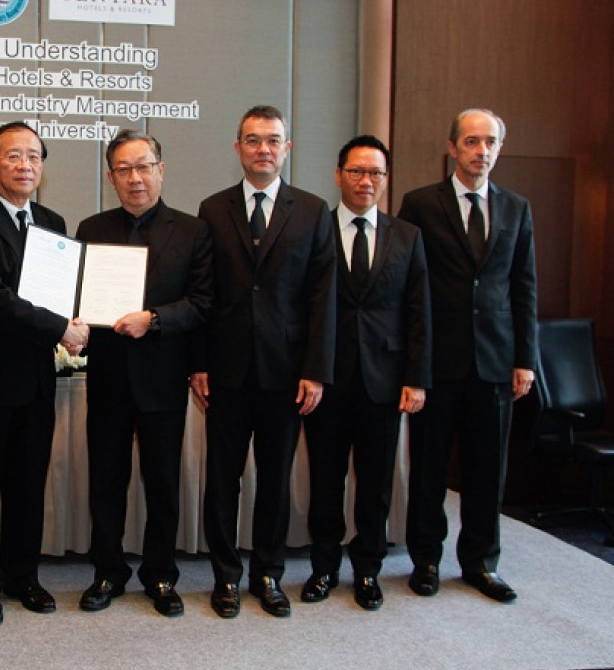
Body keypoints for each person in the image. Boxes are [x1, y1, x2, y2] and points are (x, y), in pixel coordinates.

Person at [191, 104, 336, 619]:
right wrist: (198, 362)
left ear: (287, 148)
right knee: (223, 480)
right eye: (252, 140)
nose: (263, 149)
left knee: (275, 480)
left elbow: (324, 297)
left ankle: (268, 574)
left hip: (287, 373)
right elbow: (202, 294)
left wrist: (316, 369)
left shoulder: (315, 211)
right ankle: (226, 577)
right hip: (226, 372)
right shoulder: (213, 208)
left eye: (273, 140)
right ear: (238, 148)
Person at [0, 121, 90, 626]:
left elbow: (59, 289)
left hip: (35, 380)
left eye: (34, 156)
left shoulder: (52, 220)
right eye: (13, 156)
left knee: (28, 483)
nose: (25, 165)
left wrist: (76, 316)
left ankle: (22, 576)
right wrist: (60, 328)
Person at [397, 108, 537, 603]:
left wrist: (526, 359)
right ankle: (427, 561)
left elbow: (524, 289)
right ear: (452, 148)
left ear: (499, 148)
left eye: (490, 142)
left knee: (486, 471)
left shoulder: (517, 208)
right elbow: (408, 289)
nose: (482, 150)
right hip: (437, 363)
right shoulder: (419, 204)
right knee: (430, 470)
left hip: (496, 364)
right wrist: (412, 363)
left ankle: (480, 562)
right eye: (472, 141)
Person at [74, 130, 212, 617]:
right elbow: (78, 301)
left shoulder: (192, 231)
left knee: (162, 482)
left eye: (144, 166)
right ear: (111, 176)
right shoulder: (91, 228)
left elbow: (202, 303)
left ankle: (160, 575)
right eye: (124, 169)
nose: (135, 178)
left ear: (161, 168)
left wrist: (153, 319)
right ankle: (107, 571)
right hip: (108, 376)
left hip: (163, 377)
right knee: (106, 482)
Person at [302, 135, 431, 611]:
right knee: (326, 480)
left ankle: (369, 569)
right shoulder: (315, 230)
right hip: (327, 378)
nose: (366, 181)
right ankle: (323, 566)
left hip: (384, 380)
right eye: (356, 171)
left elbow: (420, 312)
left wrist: (417, 378)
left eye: (375, 173)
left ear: (385, 179)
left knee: (375, 483)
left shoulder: (407, 236)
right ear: (338, 176)